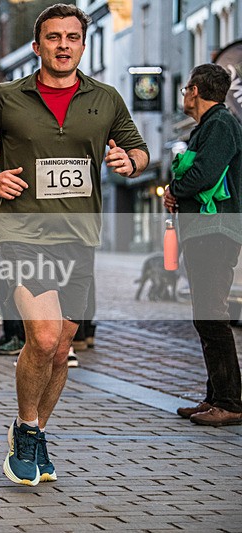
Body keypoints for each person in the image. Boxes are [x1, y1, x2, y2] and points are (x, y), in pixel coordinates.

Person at [0, 3, 148, 486]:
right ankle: (24, 429)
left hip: (79, 236)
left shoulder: (106, 99)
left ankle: (38, 429)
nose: (63, 45)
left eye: (72, 37)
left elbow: (138, 148)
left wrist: (132, 161)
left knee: (61, 348)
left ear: (83, 44)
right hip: (23, 232)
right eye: (53, 37)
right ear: (38, 45)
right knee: (41, 337)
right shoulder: (6, 97)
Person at [165, 63, 242, 427]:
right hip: (202, 230)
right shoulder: (207, 127)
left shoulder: (221, 125)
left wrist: (174, 190)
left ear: (194, 90)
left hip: (217, 230)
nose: (184, 96)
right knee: (206, 315)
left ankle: (230, 402)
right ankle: (215, 397)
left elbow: (204, 173)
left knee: (212, 315)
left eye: (185, 90)